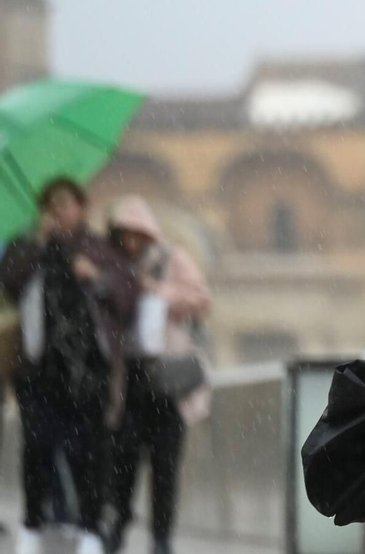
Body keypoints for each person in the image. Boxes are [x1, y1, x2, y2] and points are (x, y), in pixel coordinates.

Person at [0, 179, 137, 554]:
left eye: (66, 204)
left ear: (82, 208)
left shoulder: (98, 249)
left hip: (89, 371)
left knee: (91, 455)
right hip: (38, 371)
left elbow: (126, 297)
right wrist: (42, 248)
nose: (59, 212)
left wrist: (95, 277)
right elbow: (11, 282)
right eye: (52, 205)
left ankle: (90, 529)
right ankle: (32, 526)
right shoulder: (27, 247)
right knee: (37, 451)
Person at [104, 196, 213, 554]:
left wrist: (157, 292)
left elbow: (201, 300)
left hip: (166, 378)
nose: (131, 242)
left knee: (165, 467)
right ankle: (117, 526)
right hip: (127, 378)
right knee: (122, 464)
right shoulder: (111, 265)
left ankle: (161, 537)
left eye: (137, 234)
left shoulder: (170, 259)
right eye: (124, 235)